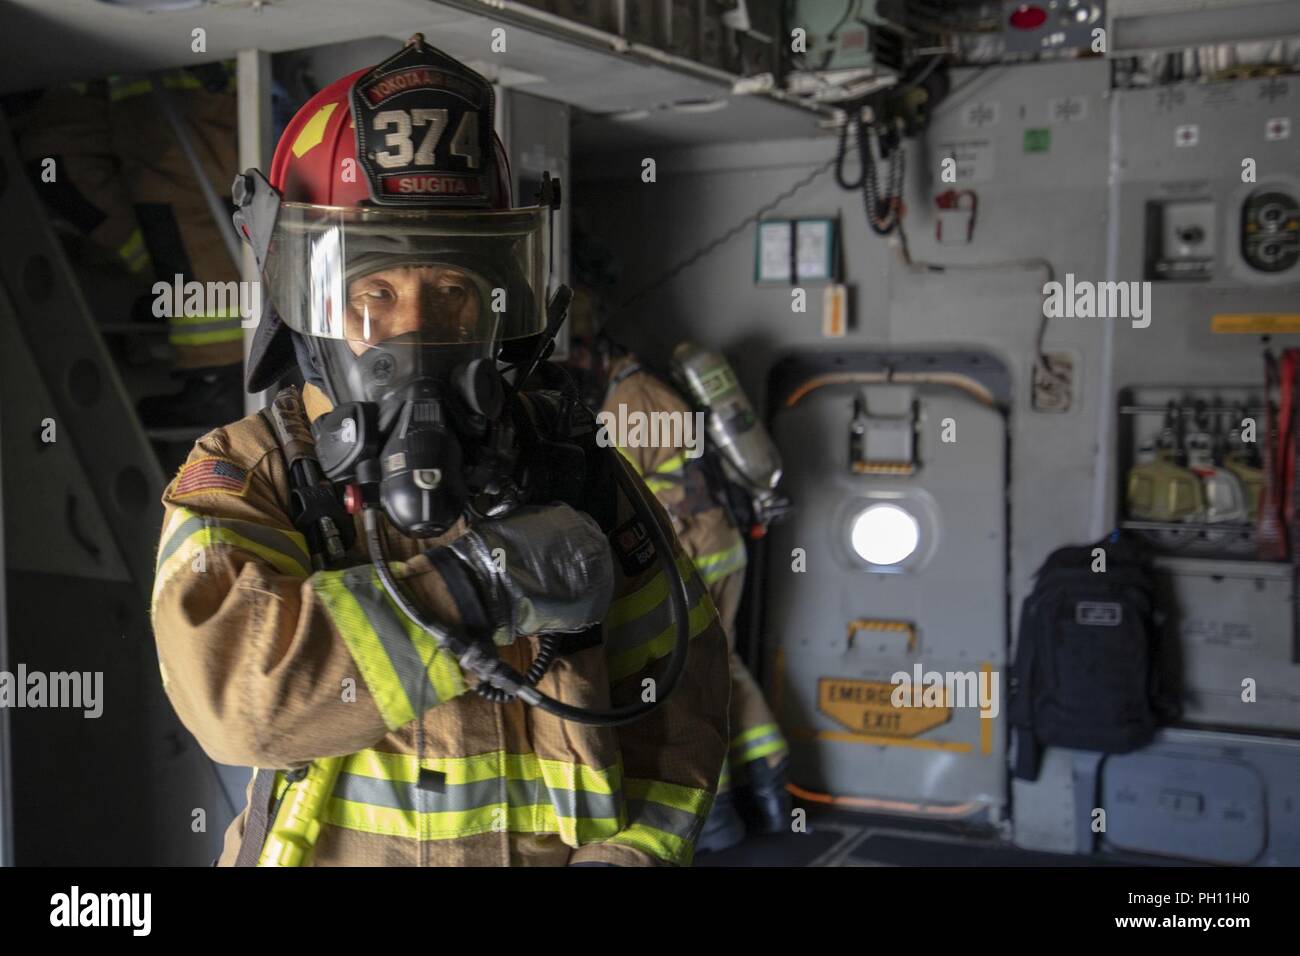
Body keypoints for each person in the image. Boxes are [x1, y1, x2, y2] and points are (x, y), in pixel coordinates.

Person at [149, 36, 730, 867]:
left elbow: (682, 707)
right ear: (299, 298)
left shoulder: (577, 474)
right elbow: (237, 705)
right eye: (373, 293)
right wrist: (474, 587)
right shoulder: (248, 478)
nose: (413, 332)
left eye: (452, 291)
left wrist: (631, 857)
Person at [566, 291, 791, 853]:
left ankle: (717, 813)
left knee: (694, 677)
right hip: (715, 545)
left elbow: (614, 486)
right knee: (726, 666)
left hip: (698, 552)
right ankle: (766, 789)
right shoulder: (644, 387)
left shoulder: (633, 398)